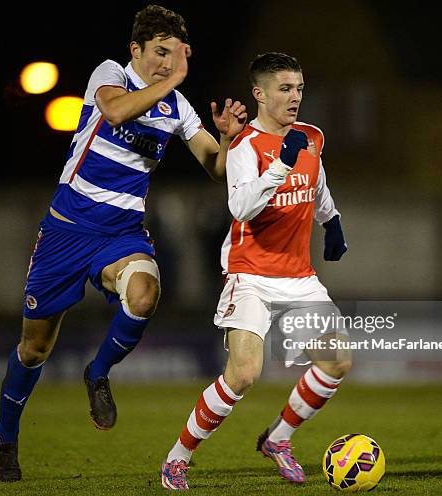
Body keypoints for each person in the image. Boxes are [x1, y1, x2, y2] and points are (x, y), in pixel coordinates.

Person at [0, 4, 247, 482]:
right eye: (158, 53)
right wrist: (171, 82)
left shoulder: (179, 108)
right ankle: (6, 438)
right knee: (34, 349)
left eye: (174, 55)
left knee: (146, 294)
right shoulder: (111, 75)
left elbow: (216, 170)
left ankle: (98, 372)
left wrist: (229, 140)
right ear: (136, 50)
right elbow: (114, 110)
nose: (167, 63)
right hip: (66, 231)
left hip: (121, 234)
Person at [160, 52, 352, 490]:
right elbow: (241, 206)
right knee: (244, 373)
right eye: (285, 89)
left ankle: (278, 439)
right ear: (259, 93)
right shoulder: (246, 145)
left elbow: (316, 183)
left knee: (337, 360)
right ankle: (177, 458)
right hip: (250, 274)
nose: (295, 97)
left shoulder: (311, 136)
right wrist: (280, 164)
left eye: (299, 88)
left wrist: (332, 220)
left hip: (299, 276)